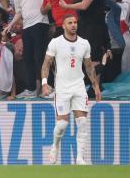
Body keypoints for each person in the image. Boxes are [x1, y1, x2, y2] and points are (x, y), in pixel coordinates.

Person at [41, 15, 101, 166]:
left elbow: (88, 66)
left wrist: (95, 85)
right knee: (62, 125)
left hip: (79, 86)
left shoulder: (84, 43)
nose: (73, 25)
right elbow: (46, 64)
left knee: (82, 122)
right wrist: (44, 83)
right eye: (70, 23)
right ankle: (55, 146)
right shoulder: (56, 43)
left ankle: (80, 158)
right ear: (63, 26)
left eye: (75, 22)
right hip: (62, 88)